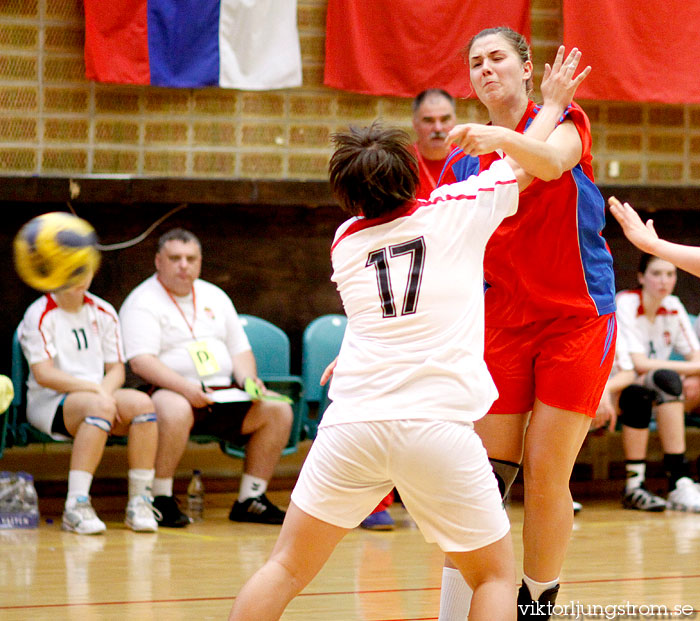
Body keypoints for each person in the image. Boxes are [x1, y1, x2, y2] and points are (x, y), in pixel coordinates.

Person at [229, 49, 587, 619]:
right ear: (409, 173)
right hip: (434, 429)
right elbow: (523, 166)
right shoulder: (453, 211)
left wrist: (349, 357)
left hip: (351, 424)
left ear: (347, 194)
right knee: (494, 575)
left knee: (285, 567)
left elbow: (378, 318)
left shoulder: (345, 241)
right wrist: (549, 106)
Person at [437, 28, 612, 621]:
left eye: (497, 58)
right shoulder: (463, 157)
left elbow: (545, 164)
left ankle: (539, 602)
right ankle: (459, 605)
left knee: (545, 473)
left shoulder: (566, 121)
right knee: (481, 478)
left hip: (577, 319)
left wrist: (505, 134)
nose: (486, 70)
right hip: (503, 323)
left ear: (527, 68)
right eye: (475, 63)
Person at [119, 228, 292, 527]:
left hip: (223, 394)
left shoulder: (215, 295)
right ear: (158, 261)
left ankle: (250, 499)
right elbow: (141, 362)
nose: (183, 265)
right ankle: (159, 498)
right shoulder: (142, 301)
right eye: (175, 258)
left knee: (277, 409)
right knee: (174, 406)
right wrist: (186, 388)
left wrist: (249, 380)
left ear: (199, 262)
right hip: (169, 392)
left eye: (190, 258)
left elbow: (240, 351)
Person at [360, 87, 458, 531]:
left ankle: (437, 499)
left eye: (445, 119)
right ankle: (376, 500)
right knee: (388, 395)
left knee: (446, 402)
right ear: (415, 125)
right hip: (401, 293)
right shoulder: (398, 169)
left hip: (454, 294)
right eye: (429, 121)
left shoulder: (469, 160)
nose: (438, 128)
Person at [18, 271, 160, 534]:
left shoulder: (103, 311)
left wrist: (102, 393)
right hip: (50, 401)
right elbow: (44, 374)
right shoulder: (39, 313)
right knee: (102, 407)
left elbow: (117, 370)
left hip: (98, 396)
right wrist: (97, 393)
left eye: (84, 269)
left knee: (143, 404)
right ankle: (76, 505)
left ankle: (141, 501)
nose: (79, 277)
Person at [614, 253, 700, 512]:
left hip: (659, 391)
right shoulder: (626, 302)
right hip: (615, 388)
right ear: (640, 277)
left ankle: (678, 483)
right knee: (658, 383)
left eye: (670, 274)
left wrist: (694, 374)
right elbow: (638, 364)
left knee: (665, 382)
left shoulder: (673, 305)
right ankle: (674, 479)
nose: (664, 281)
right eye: (656, 273)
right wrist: (691, 370)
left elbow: (697, 357)